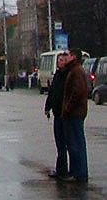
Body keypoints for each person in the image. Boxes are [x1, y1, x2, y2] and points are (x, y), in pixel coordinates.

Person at [62, 49, 89, 183]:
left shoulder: (76, 71)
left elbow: (77, 92)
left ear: (74, 57)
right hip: (75, 113)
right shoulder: (74, 70)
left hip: (75, 114)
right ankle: (78, 172)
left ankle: (80, 173)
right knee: (76, 143)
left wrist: (67, 108)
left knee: (77, 144)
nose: (65, 57)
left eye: (67, 55)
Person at [44, 50, 70, 178]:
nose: (59, 63)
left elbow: (63, 94)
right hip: (57, 113)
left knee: (63, 143)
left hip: (63, 114)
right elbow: (52, 92)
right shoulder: (58, 75)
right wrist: (47, 107)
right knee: (59, 143)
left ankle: (63, 170)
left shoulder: (67, 75)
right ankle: (61, 169)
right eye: (59, 60)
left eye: (62, 60)